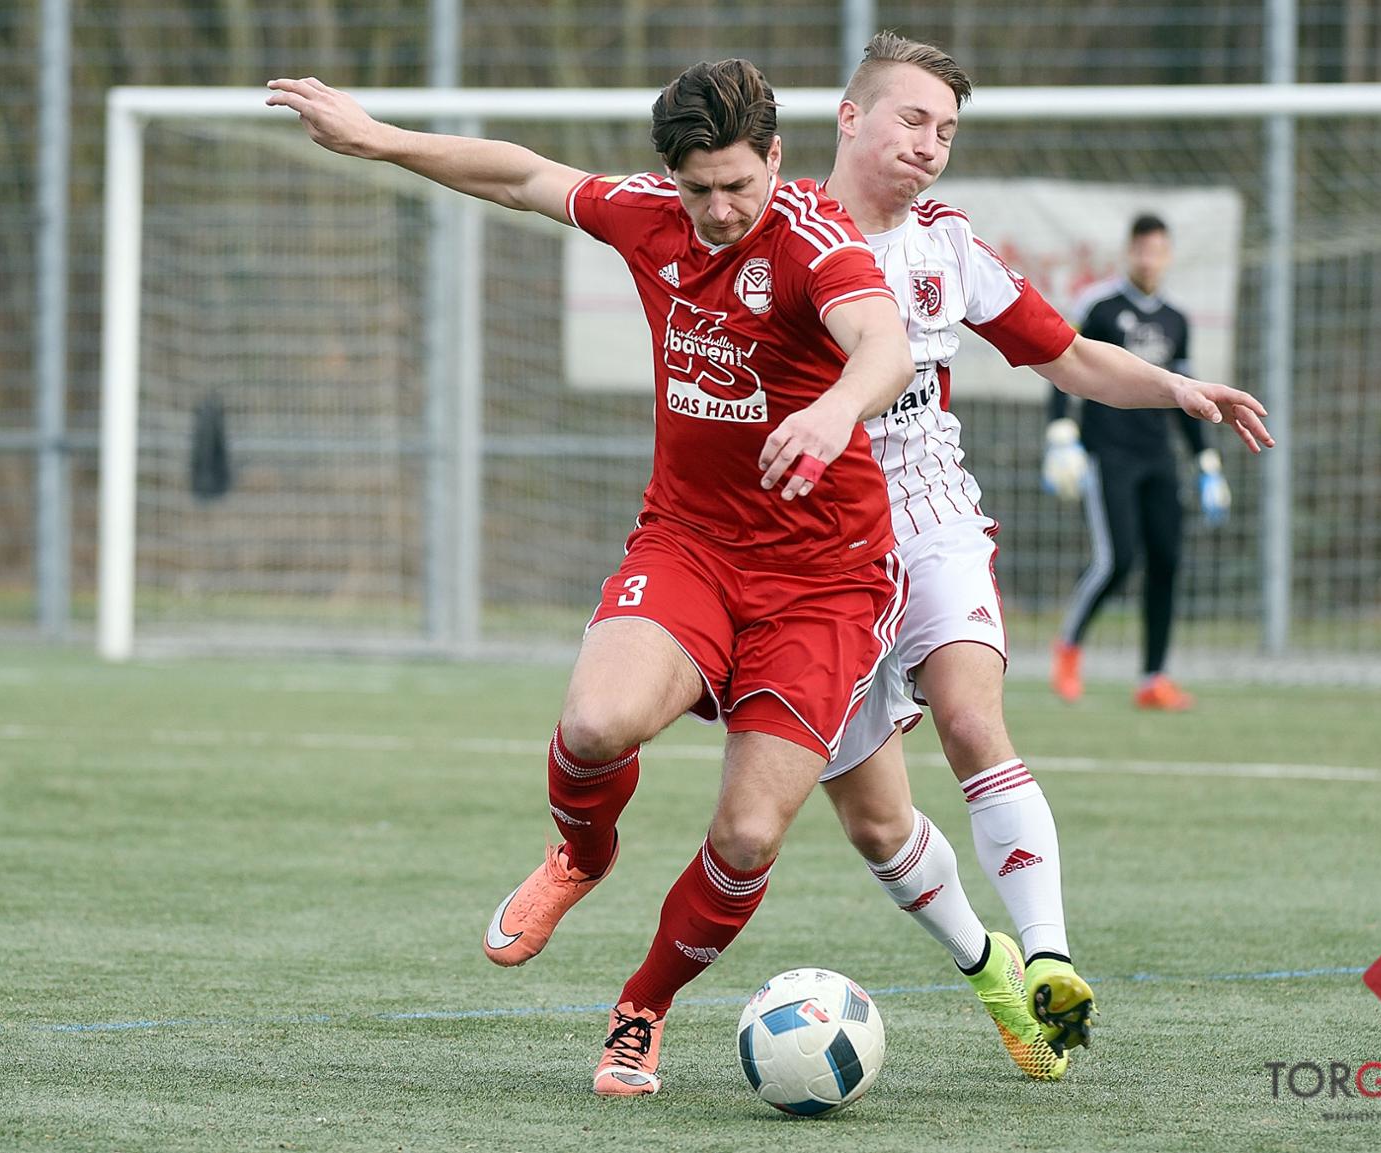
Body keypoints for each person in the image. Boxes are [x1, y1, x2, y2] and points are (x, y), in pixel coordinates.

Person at [267, 62, 917, 1098]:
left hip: (823, 581)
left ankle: (641, 1006)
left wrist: (836, 408)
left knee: (748, 832)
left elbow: (883, 342)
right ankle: (579, 854)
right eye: (699, 188)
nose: (718, 210)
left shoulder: (813, 242)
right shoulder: (651, 216)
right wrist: (377, 136)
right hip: (691, 544)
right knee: (595, 724)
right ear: (673, 176)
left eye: (738, 185)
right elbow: (522, 176)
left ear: (776, 159)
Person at [810, 32, 1274, 1077]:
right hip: (812, 551)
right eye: (912, 119)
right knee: (877, 824)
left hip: (929, 516)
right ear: (849, 115)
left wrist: (1177, 388)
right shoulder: (779, 233)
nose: (930, 145)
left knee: (972, 718)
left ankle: (1052, 961)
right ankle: (991, 968)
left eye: (946, 131)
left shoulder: (947, 246)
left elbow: (1066, 355)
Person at [1046, 214, 1233, 710]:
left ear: (1168, 256)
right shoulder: (1100, 307)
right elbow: (1062, 361)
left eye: (1158, 251)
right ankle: (1068, 647)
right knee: (1117, 559)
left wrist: (1206, 462)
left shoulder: (1176, 320)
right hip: (1108, 453)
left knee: (1167, 559)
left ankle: (1153, 678)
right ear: (1129, 253)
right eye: (1142, 250)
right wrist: (1060, 432)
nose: (1149, 260)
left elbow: (1187, 394)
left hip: (1158, 455)